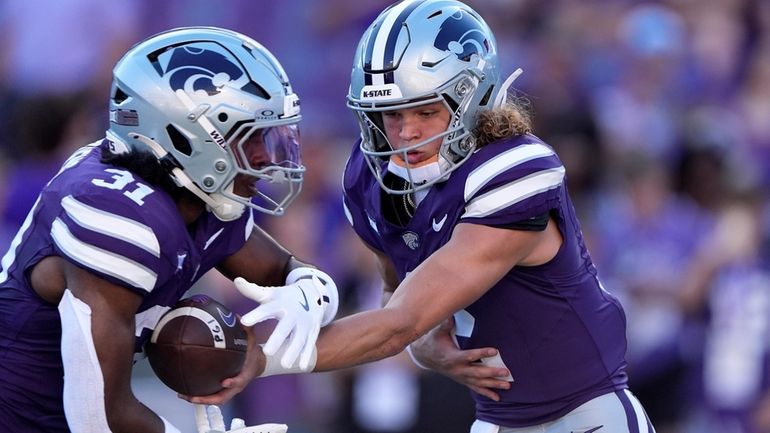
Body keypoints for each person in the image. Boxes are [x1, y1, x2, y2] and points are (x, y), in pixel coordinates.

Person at [193, 1, 656, 432]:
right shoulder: (371, 178)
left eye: (426, 111)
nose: (406, 132)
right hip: (497, 420)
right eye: (390, 114)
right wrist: (426, 348)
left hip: (586, 415)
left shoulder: (514, 170)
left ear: (472, 101)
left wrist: (261, 356)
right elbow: (400, 296)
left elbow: (400, 322)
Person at [0, 27, 340, 433]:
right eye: (250, 139)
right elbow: (98, 419)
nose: (267, 159)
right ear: (186, 136)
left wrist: (308, 295)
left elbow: (284, 270)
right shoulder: (116, 210)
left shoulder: (196, 192)